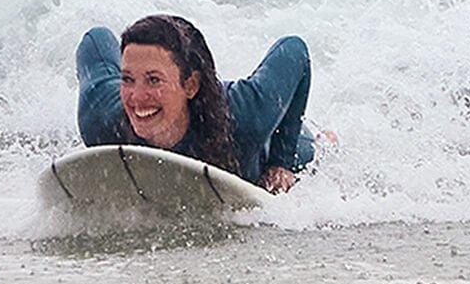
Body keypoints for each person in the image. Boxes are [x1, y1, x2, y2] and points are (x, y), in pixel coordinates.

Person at [75, 15, 315, 193]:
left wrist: (280, 162)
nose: (136, 98)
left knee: (309, 150)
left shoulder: (244, 117)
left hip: (270, 141)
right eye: (128, 79)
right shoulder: (101, 119)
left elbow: (294, 50)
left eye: (153, 80)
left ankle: (324, 138)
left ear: (190, 85)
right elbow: (95, 39)